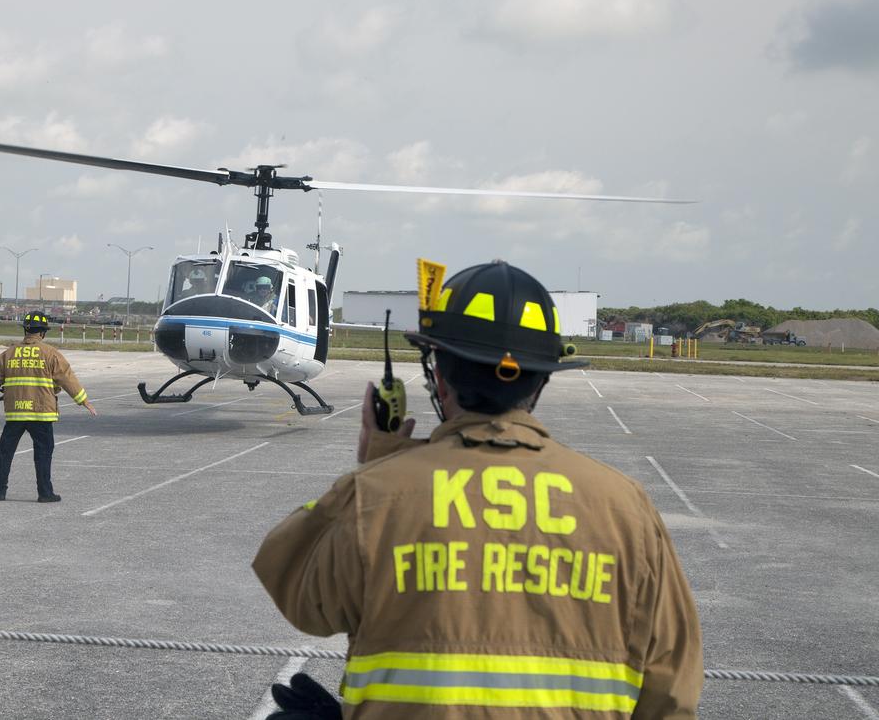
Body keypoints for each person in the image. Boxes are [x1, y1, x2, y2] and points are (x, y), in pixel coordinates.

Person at [253, 260, 703, 718]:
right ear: (542, 378)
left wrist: (372, 474)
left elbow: (294, 589)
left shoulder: (378, 494)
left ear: (439, 376)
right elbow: (671, 690)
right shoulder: (626, 508)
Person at [0, 310, 96, 503]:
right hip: (41, 413)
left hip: (15, 413)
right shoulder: (51, 354)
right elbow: (67, 378)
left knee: (6, 452)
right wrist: (83, 401)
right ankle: (45, 493)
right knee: (43, 454)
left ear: (26, 331)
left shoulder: (8, 354)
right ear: (43, 333)